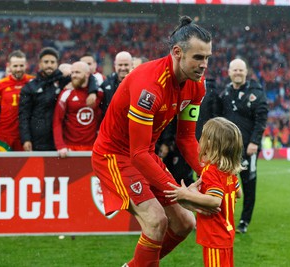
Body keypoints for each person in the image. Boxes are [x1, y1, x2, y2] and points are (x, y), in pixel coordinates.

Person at [92, 16, 212, 267]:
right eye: (198, 58)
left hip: (145, 154)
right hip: (115, 155)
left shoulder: (196, 86)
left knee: (184, 223)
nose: (204, 65)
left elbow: (186, 138)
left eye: (207, 58)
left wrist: (212, 175)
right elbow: (136, 153)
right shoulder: (150, 86)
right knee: (156, 221)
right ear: (177, 52)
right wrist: (180, 193)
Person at [164, 117, 243, 267]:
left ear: (209, 145)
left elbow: (215, 200)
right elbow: (238, 194)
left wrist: (186, 194)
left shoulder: (211, 171)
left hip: (214, 236)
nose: (199, 141)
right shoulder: (228, 171)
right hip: (226, 234)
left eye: (202, 137)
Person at [210, 58, 269, 234]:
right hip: (228, 150)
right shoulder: (225, 93)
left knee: (248, 184)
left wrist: (255, 142)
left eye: (240, 70)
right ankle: (223, 218)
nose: (237, 73)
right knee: (225, 185)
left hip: (248, 149)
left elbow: (262, 118)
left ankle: (244, 221)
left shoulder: (256, 92)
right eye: (234, 70)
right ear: (229, 72)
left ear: (246, 72)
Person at [19, 47, 98, 151]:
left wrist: (93, 91)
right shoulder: (30, 87)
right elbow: (24, 115)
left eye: (52, 62)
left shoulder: (63, 80)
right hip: (37, 139)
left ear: (57, 64)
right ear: (40, 64)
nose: (49, 65)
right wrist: (26, 139)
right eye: (46, 62)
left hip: (60, 139)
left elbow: (88, 75)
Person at [53, 61, 103, 157]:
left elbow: (103, 117)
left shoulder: (99, 94)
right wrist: (60, 145)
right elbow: (57, 121)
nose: (74, 76)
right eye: (72, 73)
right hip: (70, 148)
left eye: (78, 72)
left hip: (93, 147)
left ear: (87, 74)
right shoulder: (66, 93)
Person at [0, 50, 34, 151]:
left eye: (21, 66)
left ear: (26, 65)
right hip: (5, 134)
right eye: (15, 66)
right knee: (4, 165)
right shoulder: (1, 84)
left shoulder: (32, 82)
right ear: (9, 66)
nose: (18, 69)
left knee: (24, 165)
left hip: (25, 135)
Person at [99, 51, 132, 118]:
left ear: (131, 65)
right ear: (115, 65)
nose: (123, 68)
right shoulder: (106, 84)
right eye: (120, 65)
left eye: (126, 65)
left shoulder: (138, 83)